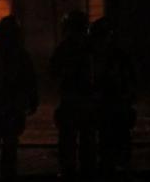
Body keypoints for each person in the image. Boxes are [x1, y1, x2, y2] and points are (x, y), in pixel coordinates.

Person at [0, 15, 38, 181]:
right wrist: (32, 100)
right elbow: (30, 80)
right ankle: (6, 174)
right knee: (8, 144)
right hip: (11, 108)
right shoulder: (20, 55)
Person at [50, 10, 95, 179]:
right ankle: (86, 171)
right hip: (86, 101)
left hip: (72, 101)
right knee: (86, 140)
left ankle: (70, 171)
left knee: (69, 140)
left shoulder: (66, 48)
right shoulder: (91, 47)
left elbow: (53, 72)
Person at [90, 16, 136, 176]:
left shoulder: (114, 57)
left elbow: (128, 80)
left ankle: (115, 166)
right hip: (109, 105)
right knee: (108, 141)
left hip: (114, 104)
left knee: (115, 140)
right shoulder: (97, 56)